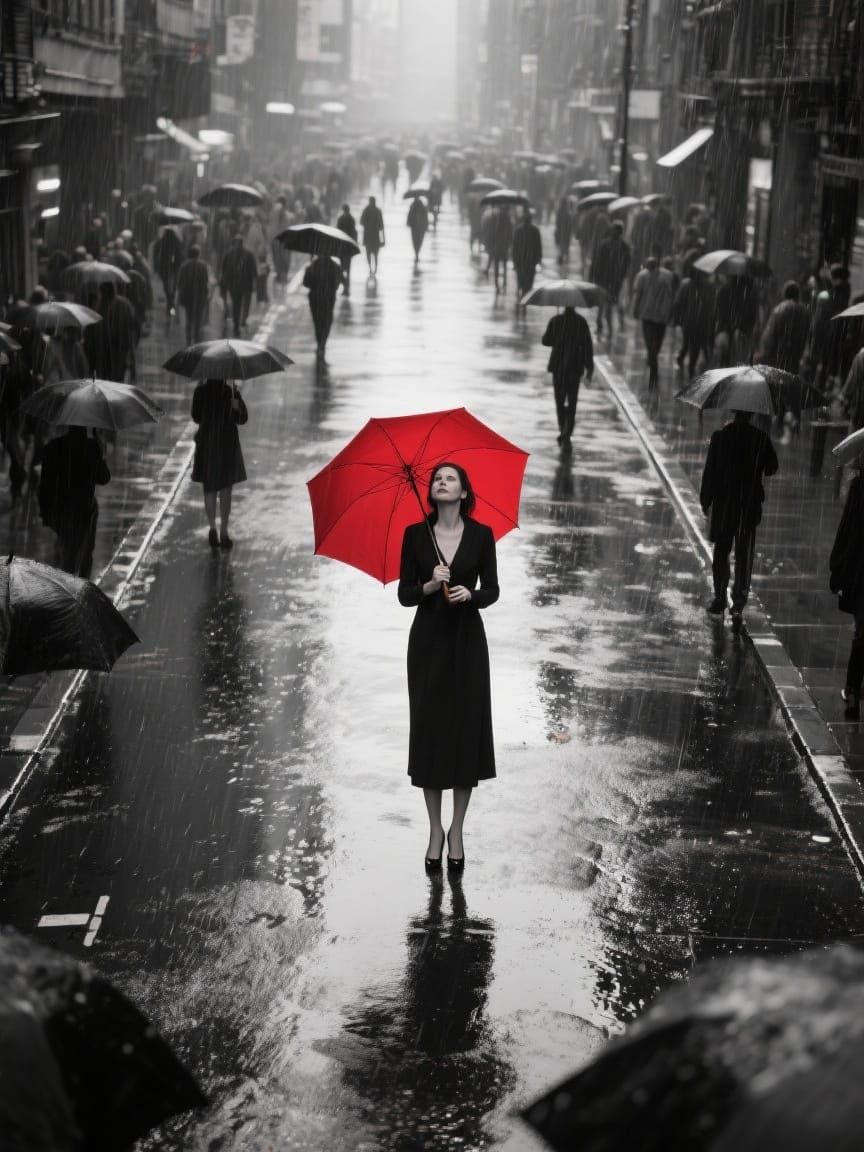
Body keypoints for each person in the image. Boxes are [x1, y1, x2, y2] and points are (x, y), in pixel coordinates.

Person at [397, 462, 499, 873]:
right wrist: (427, 584)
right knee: (431, 733)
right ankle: (434, 829)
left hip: (467, 645)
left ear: (462, 492)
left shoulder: (482, 535)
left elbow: (492, 590)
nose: (441, 482)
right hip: (428, 645)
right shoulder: (414, 535)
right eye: (437, 478)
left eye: (450, 478)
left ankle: (457, 829)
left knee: (463, 733)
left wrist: (469, 594)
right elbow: (405, 595)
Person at [699, 410, 778, 618]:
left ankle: (720, 597)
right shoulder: (760, 438)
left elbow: (711, 471)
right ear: (752, 414)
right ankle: (739, 601)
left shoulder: (721, 437)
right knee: (744, 555)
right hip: (748, 505)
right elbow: (772, 468)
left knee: (721, 552)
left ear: (734, 411)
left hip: (725, 504)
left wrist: (705, 499)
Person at [38, 426, 110, 577]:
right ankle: (81, 588)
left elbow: (45, 485)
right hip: (85, 510)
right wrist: (100, 450)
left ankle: (65, 586)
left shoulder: (53, 447)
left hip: (61, 509)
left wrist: (45, 513)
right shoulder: (91, 447)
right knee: (85, 553)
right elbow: (104, 478)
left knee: (68, 551)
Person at [191, 377, 248, 549]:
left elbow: (196, 417)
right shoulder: (229, 392)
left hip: (208, 445)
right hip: (226, 445)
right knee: (225, 490)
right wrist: (235, 403)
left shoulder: (201, 391)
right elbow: (242, 419)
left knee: (209, 489)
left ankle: (212, 528)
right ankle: (224, 531)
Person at [829, 463, 864, 716]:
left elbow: (848, 527)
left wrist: (838, 566)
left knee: (862, 630)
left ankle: (852, 688)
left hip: (861, 568)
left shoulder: (860, 486)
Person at [757, 280, 811, 432]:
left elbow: (770, 334)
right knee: (792, 386)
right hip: (794, 356)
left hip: (778, 355)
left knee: (777, 385)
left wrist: (764, 353)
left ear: (785, 294)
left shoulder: (779, 310)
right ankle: (795, 418)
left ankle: (777, 420)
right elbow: (807, 336)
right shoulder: (804, 312)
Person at [541, 304, 594, 449]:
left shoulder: (556, 320)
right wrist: (589, 368)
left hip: (558, 367)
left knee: (559, 400)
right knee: (572, 401)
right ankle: (567, 431)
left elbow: (546, 341)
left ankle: (562, 426)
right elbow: (588, 346)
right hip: (575, 367)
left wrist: (555, 332)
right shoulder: (581, 322)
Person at [631, 251, 676, 387]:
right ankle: (653, 366)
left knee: (651, 343)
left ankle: (653, 363)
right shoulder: (667, 276)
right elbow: (671, 296)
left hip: (650, 315)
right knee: (654, 344)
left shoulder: (642, 276)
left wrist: (635, 309)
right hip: (659, 316)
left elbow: (638, 295)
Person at [591, 219, 630, 341]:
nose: (615, 233)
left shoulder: (622, 247)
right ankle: (604, 327)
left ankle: (606, 328)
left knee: (606, 305)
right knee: (604, 305)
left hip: (612, 281)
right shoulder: (610, 245)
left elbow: (626, 264)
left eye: (617, 231)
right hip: (607, 280)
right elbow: (598, 263)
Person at [302, 255, 343, 359]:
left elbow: (306, 283)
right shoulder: (335, 266)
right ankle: (322, 342)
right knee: (327, 320)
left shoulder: (313, 265)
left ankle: (320, 341)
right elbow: (339, 283)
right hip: (329, 298)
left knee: (317, 321)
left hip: (315, 298)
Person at [219, 234, 257, 337]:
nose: (238, 246)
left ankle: (244, 318)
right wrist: (223, 285)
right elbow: (223, 271)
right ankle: (236, 325)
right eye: (236, 244)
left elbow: (253, 270)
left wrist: (253, 283)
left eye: (239, 244)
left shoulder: (248, 255)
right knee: (236, 305)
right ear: (233, 244)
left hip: (246, 283)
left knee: (246, 303)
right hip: (234, 285)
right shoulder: (228, 255)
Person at [177, 245, 210, 346]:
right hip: (200, 296)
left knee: (189, 317)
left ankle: (188, 338)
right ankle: (196, 337)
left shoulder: (184, 266)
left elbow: (179, 283)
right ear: (198, 254)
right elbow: (205, 281)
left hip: (188, 296)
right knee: (198, 318)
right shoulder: (203, 266)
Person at [151, 225, 184, 324]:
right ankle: (171, 302)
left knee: (167, 285)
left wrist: (156, 268)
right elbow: (181, 255)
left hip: (164, 268)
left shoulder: (161, 242)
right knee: (173, 286)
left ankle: (170, 301)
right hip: (174, 268)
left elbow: (156, 256)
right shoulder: (176, 242)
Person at [511, 208, 543, 302]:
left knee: (521, 282)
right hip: (530, 263)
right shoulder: (535, 230)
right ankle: (524, 299)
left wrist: (514, 261)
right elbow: (538, 246)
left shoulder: (518, 230)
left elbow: (514, 247)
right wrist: (539, 259)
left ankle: (521, 297)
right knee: (528, 284)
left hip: (521, 262)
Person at [484, 204, 513, 292]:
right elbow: (510, 234)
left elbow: (491, 232)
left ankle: (498, 283)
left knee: (498, 265)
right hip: (502, 246)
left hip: (498, 246)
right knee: (502, 265)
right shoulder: (506, 219)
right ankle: (502, 282)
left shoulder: (495, 218)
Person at [359, 196, 385, 277]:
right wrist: (383, 239)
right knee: (375, 253)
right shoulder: (378, 211)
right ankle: (375, 268)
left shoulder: (366, 210)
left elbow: (361, 222)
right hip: (375, 237)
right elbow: (381, 226)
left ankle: (370, 267)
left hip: (368, 236)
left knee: (369, 253)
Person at [336, 203, 357, 295]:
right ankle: (345, 285)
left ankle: (345, 286)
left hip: (344, 246)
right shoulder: (349, 219)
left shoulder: (342, 219)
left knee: (344, 267)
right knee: (345, 267)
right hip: (346, 246)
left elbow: (338, 232)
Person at [406, 195, 429, 266]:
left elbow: (409, 216)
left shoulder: (415, 207)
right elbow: (425, 218)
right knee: (418, 241)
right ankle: (417, 253)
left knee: (416, 241)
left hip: (416, 227)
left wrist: (408, 223)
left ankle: (416, 253)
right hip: (418, 227)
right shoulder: (417, 207)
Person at [554, 194, 572, 266]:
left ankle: (561, 261)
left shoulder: (559, 212)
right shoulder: (568, 213)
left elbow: (557, 224)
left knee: (561, 249)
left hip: (560, 234)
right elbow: (569, 226)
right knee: (566, 250)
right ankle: (565, 263)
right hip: (565, 235)